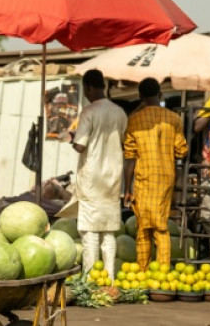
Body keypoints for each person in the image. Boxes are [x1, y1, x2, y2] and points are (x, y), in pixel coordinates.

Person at [123, 78, 188, 269]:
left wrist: (127, 188)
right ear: (160, 94)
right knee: (161, 226)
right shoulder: (174, 119)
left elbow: (129, 158)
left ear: (141, 96)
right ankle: (163, 271)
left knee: (143, 228)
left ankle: (143, 270)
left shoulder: (135, 120)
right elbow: (181, 150)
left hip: (143, 179)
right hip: (166, 179)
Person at [68, 69, 126, 282]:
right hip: (112, 178)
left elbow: (80, 146)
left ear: (89, 87)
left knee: (89, 232)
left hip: (92, 179)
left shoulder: (89, 112)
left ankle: (89, 280)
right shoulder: (120, 112)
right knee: (108, 232)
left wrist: (72, 138)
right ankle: (109, 279)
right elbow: (120, 140)